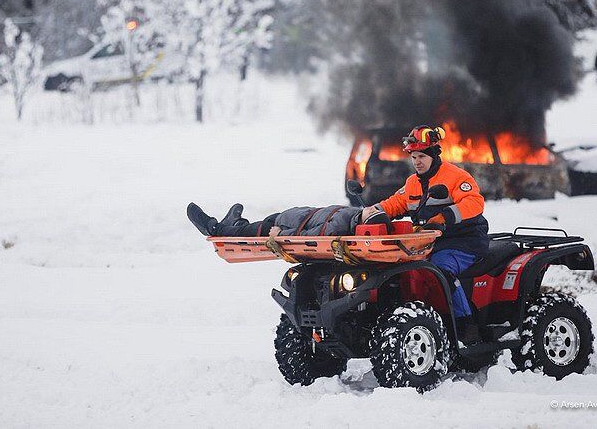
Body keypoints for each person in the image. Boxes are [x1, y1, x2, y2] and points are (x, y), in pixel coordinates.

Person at [360, 125, 490, 344]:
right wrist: (370, 213)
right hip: (428, 243)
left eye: (421, 156)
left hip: (463, 243)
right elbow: (395, 204)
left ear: (434, 155)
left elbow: (475, 203)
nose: (417, 161)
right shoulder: (413, 183)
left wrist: (444, 217)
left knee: (440, 270)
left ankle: (466, 324)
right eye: (413, 157)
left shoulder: (456, 177)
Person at [187, 202, 385, 238]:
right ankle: (237, 225)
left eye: (372, 212)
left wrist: (282, 235)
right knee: (265, 222)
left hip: (293, 225)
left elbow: (311, 236)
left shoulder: (340, 228)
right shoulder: (352, 215)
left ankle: (215, 228)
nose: (371, 208)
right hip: (296, 216)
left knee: (264, 229)